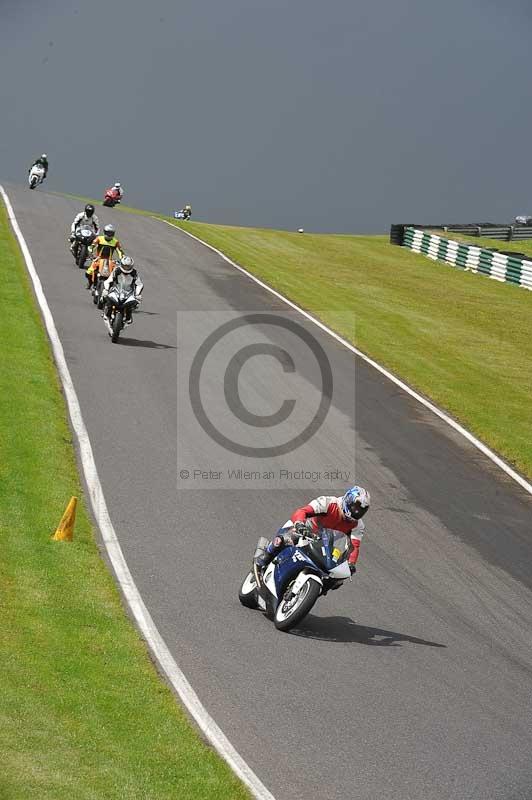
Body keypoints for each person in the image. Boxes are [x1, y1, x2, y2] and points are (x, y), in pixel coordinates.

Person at [254, 486, 371, 575]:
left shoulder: (358, 525)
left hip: (326, 546)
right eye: (355, 507)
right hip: (306, 531)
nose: (357, 512)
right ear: (348, 500)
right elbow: (303, 511)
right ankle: (267, 554)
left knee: (337, 575)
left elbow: (354, 546)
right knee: (285, 539)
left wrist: (351, 563)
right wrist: (300, 524)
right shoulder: (328, 502)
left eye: (361, 510)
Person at [102, 255, 143, 325]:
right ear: (121, 264)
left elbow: (139, 284)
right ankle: (106, 313)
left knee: (133, 304)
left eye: (128, 266)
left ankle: (128, 318)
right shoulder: (117, 270)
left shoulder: (134, 273)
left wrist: (137, 294)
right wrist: (106, 289)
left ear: (131, 266)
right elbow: (108, 280)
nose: (126, 268)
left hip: (128, 292)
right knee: (106, 297)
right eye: (125, 266)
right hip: (116, 289)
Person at [86, 224, 123, 289]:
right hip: (98, 259)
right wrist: (91, 253)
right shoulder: (99, 239)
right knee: (89, 272)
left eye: (111, 233)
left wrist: (122, 258)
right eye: (108, 233)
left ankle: (113, 288)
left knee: (117, 274)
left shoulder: (115, 241)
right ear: (104, 232)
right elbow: (91, 246)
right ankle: (90, 283)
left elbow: (120, 251)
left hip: (110, 261)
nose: (109, 235)